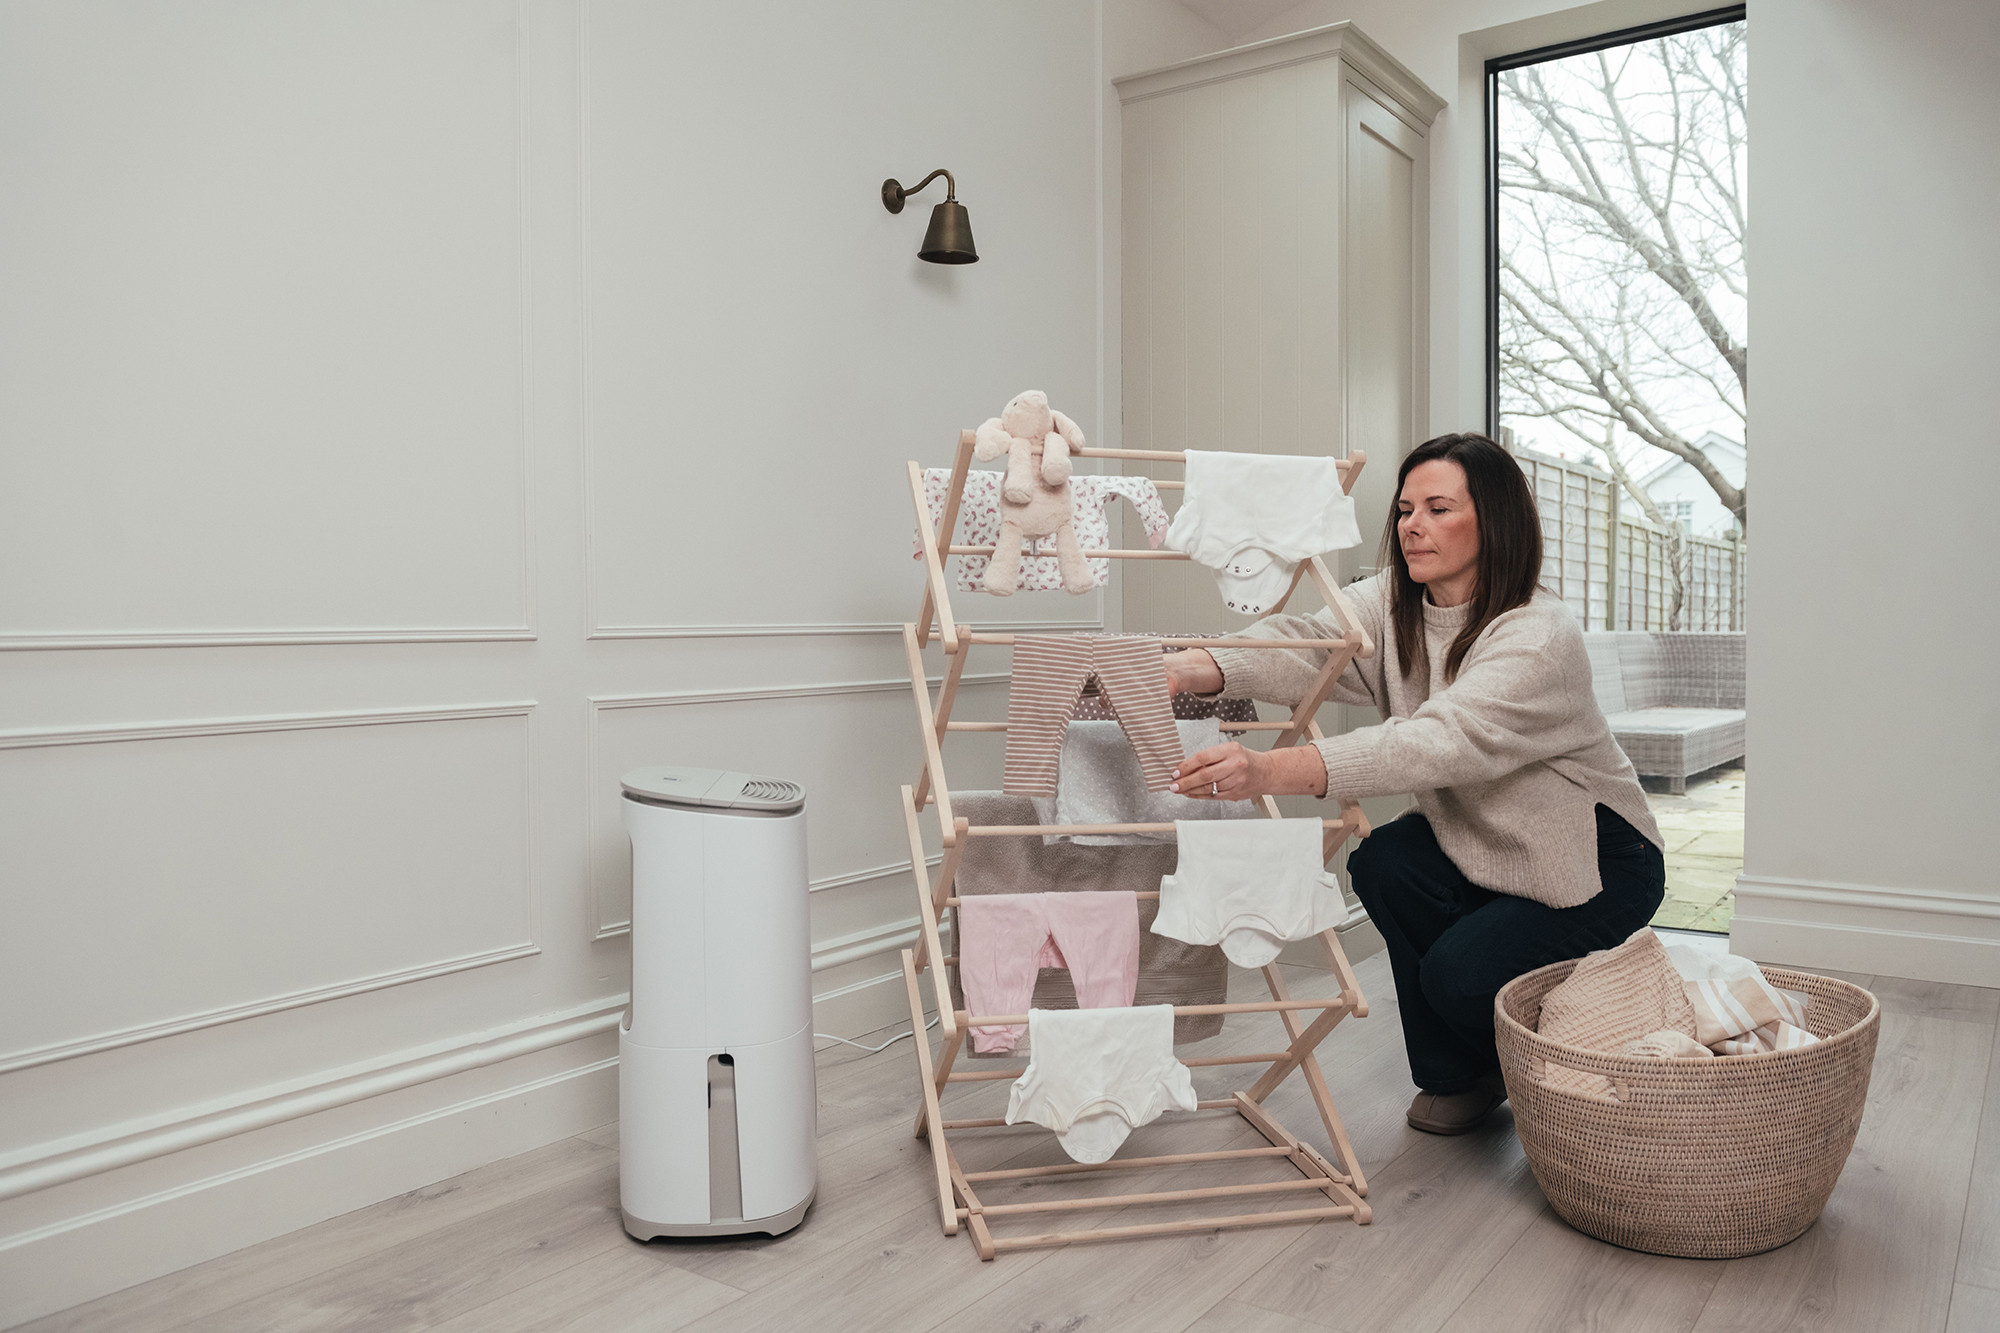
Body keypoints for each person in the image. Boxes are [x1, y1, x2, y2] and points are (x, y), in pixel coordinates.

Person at [1160, 432, 1665, 1134]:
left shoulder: (1538, 635)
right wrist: (1197, 665)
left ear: (1494, 521)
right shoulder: (1396, 600)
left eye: (1437, 508)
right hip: (1480, 840)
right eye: (1404, 510)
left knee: (1456, 978)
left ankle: (1572, 1046)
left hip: (1591, 858)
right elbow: (1310, 645)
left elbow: (1435, 742)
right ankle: (1464, 1074)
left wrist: (1268, 770)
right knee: (1383, 860)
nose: (1411, 526)